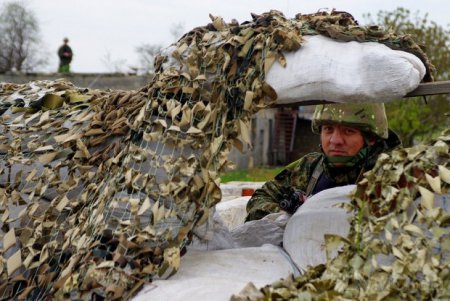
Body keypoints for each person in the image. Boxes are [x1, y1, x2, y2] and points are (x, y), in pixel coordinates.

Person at [245, 102, 401, 221]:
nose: (335, 140)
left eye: (348, 131)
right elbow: (260, 198)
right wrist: (286, 216)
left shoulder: (392, 173)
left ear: (371, 139)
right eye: (328, 129)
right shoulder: (310, 166)